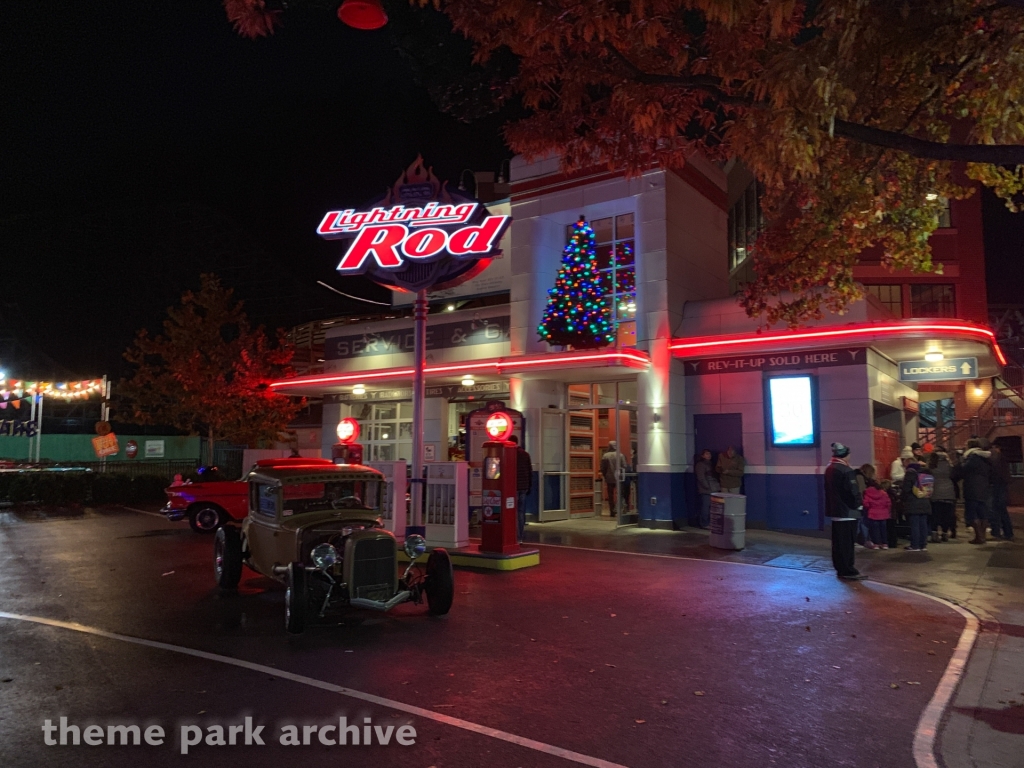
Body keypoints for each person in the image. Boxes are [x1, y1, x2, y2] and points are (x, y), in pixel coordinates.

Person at [823, 442, 866, 580]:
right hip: (848, 512)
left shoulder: (829, 468)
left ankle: (841, 568)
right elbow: (852, 492)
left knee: (838, 543)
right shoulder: (846, 470)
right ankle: (848, 569)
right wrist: (858, 505)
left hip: (835, 511)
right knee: (847, 543)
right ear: (846, 455)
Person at [953, 438, 992, 545]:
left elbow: (964, 469)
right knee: (982, 512)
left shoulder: (973, 457)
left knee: (972, 513)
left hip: (972, 488)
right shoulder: (985, 458)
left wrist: (960, 459)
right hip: (983, 488)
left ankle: (979, 537)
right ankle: (982, 536)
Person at [901, 452, 932, 551]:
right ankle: (923, 545)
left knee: (915, 525)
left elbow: (906, 489)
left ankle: (915, 545)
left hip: (913, 502)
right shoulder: (925, 472)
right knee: (923, 524)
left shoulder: (910, 472)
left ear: (908, 463)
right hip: (925, 501)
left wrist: (903, 499)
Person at [928, 446, 956, 542]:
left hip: (935, 491)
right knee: (946, 515)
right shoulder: (949, 464)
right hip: (949, 492)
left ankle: (934, 534)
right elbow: (953, 475)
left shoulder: (932, 464)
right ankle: (945, 534)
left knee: (935, 514)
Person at [988, 443, 1015, 541]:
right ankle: (1008, 532)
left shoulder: (993, 456)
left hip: (996, 485)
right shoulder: (1001, 457)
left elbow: (993, 472)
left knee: (994, 508)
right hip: (1002, 484)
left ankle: (996, 531)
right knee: (1002, 509)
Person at [508, 435, 533, 540]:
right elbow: (530, 471)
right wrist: (529, 486)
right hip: (524, 487)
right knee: (521, 512)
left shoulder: (510, 454)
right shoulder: (526, 454)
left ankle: (513, 535)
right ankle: (520, 537)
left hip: (513, 488)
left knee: (512, 512)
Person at [863, 471, 892, 549]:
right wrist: (887, 510)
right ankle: (884, 543)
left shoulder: (867, 492)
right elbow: (888, 503)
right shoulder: (883, 493)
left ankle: (876, 543)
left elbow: (866, 503)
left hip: (873, 514)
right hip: (883, 514)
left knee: (875, 530)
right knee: (883, 529)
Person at [694, 449, 720, 529]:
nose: (709, 455)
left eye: (709, 454)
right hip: (706, 489)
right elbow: (701, 478)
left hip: (714, 488)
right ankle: (704, 523)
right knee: (705, 507)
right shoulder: (700, 465)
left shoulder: (711, 464)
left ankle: (710, 522)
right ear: (702, 455)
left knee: (711, 507)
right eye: (706, 454)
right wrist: (706, 486)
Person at [600, 441, 626, 517]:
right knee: (620, 494)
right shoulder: (621, 455)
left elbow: (603, 468)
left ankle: (612, 511)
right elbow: (624, 466)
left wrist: (605, 475)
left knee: (610, 496)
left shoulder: (605, 456)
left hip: (609, 478)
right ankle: (621, 510)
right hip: (619, 478)